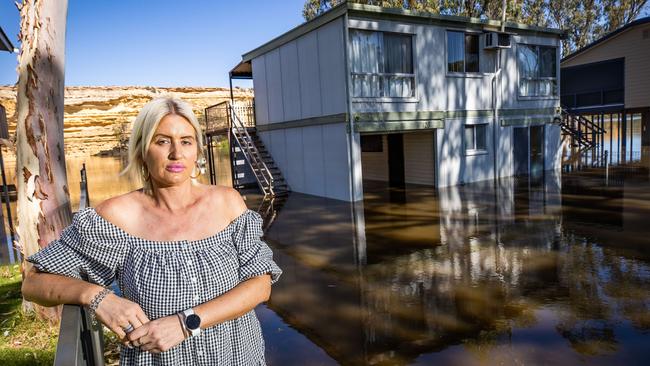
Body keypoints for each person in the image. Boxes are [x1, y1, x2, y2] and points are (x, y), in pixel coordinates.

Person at [21, 96, 282, 365]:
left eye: (186, 141)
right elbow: (34, 282)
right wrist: (98, 297)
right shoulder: (117, 217)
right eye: (162, 141)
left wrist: (185, 323)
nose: (176, 153)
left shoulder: (227, 202)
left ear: (197, 151)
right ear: (142, 150)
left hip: (238, 357)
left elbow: (260, 285)